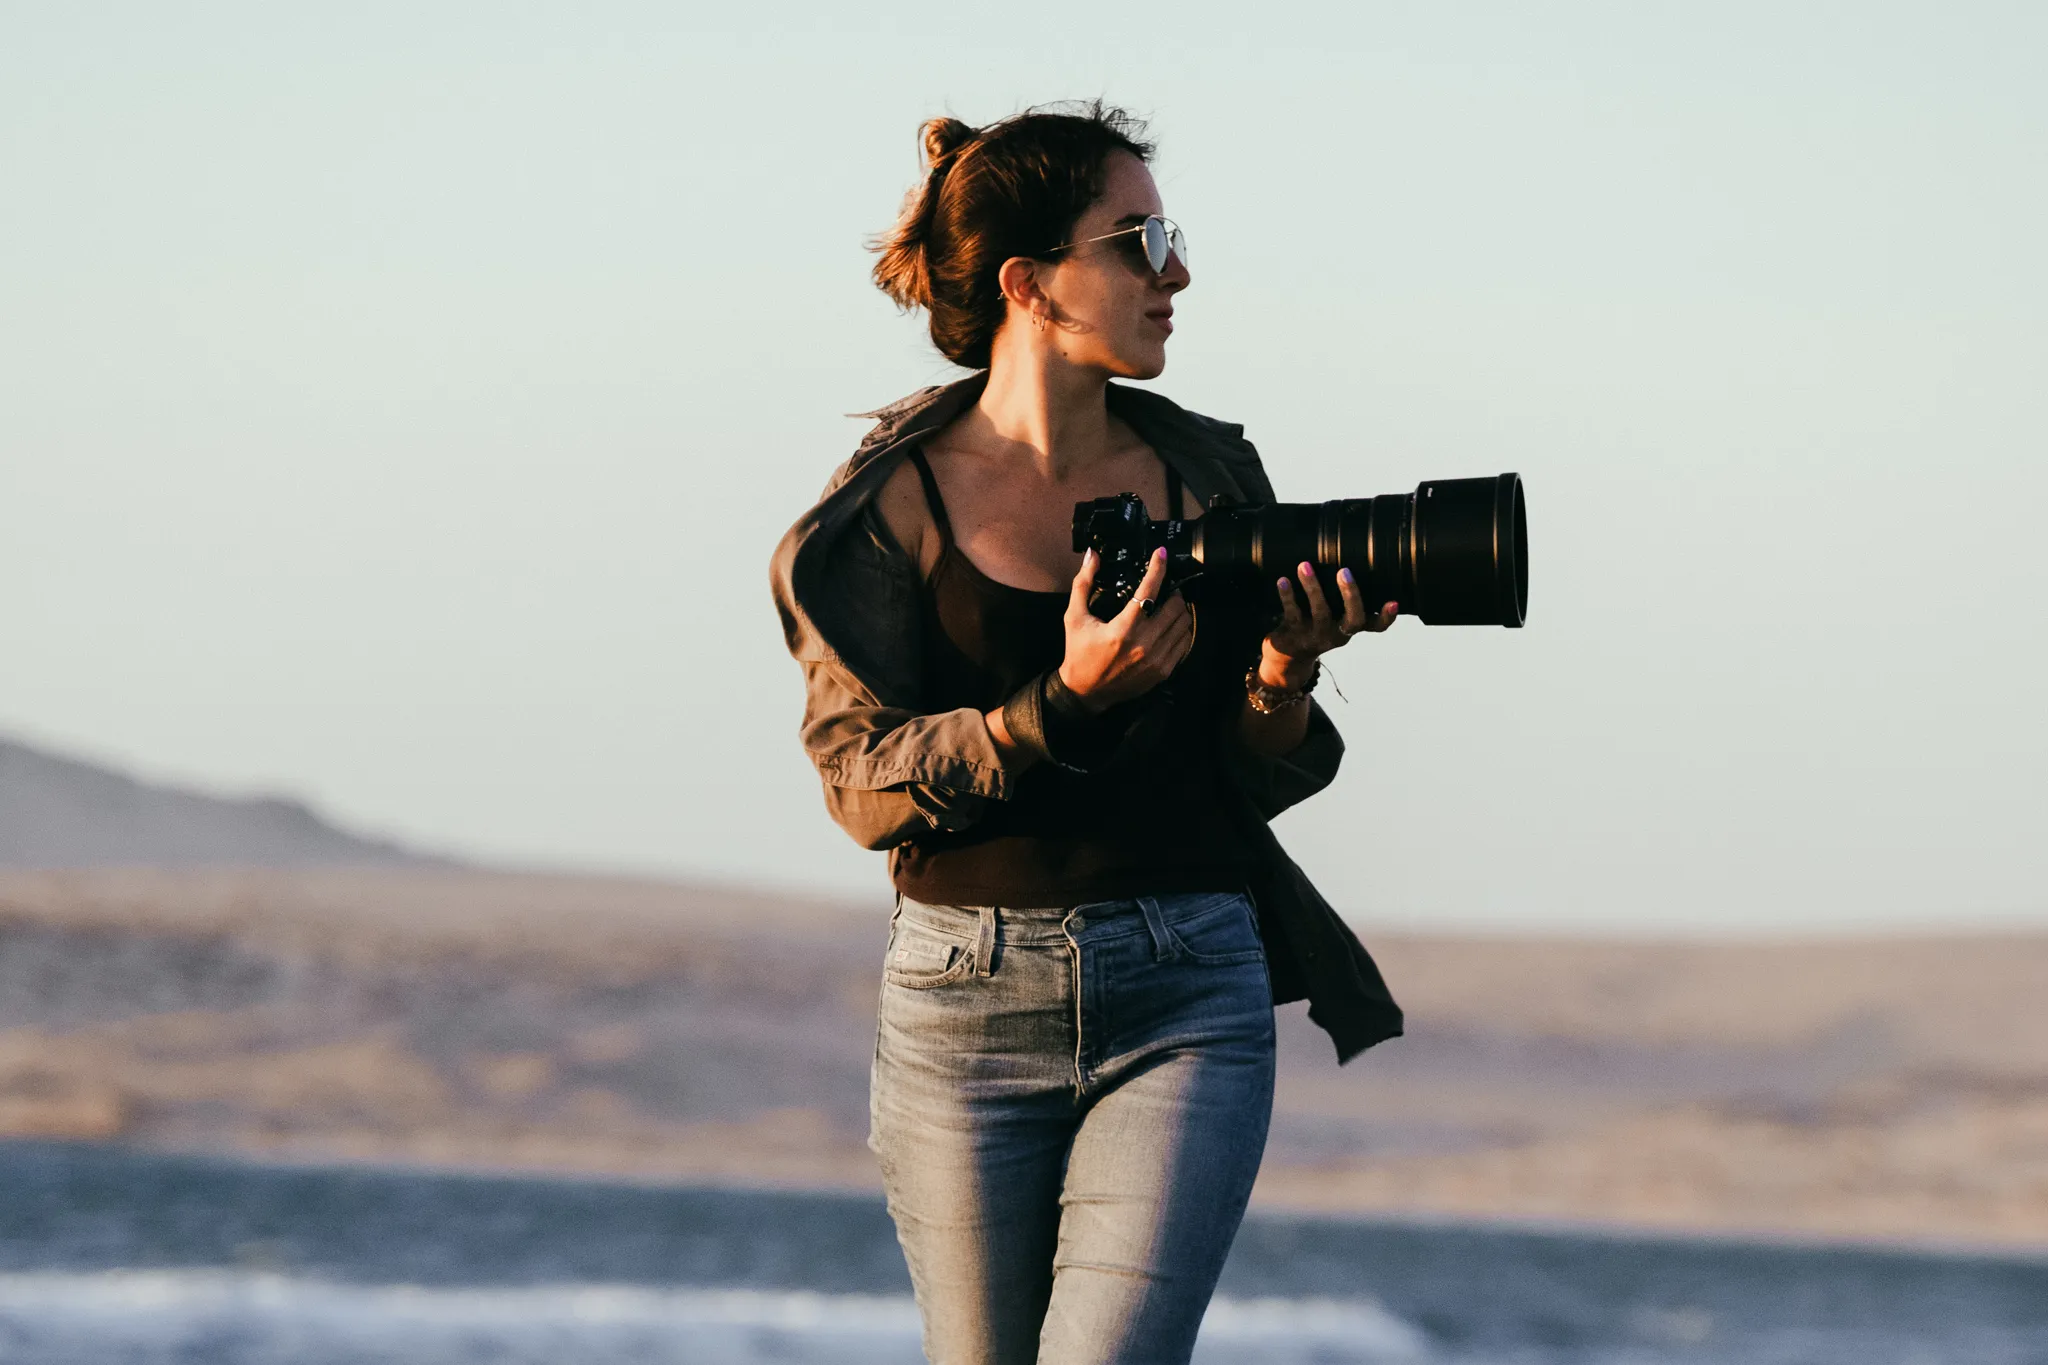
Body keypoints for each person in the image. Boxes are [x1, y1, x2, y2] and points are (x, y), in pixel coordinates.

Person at [768, 102, 1404, 1365]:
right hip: (963, 1003)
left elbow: (1241, 768)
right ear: (1028, 284)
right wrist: (1062, 706)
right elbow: (860, 786)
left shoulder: (1211, 479)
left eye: (1166, 236)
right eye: (1135, 239)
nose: (1174, 273)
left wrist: (1280, 670)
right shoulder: (880, 513)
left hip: (1188, 986)